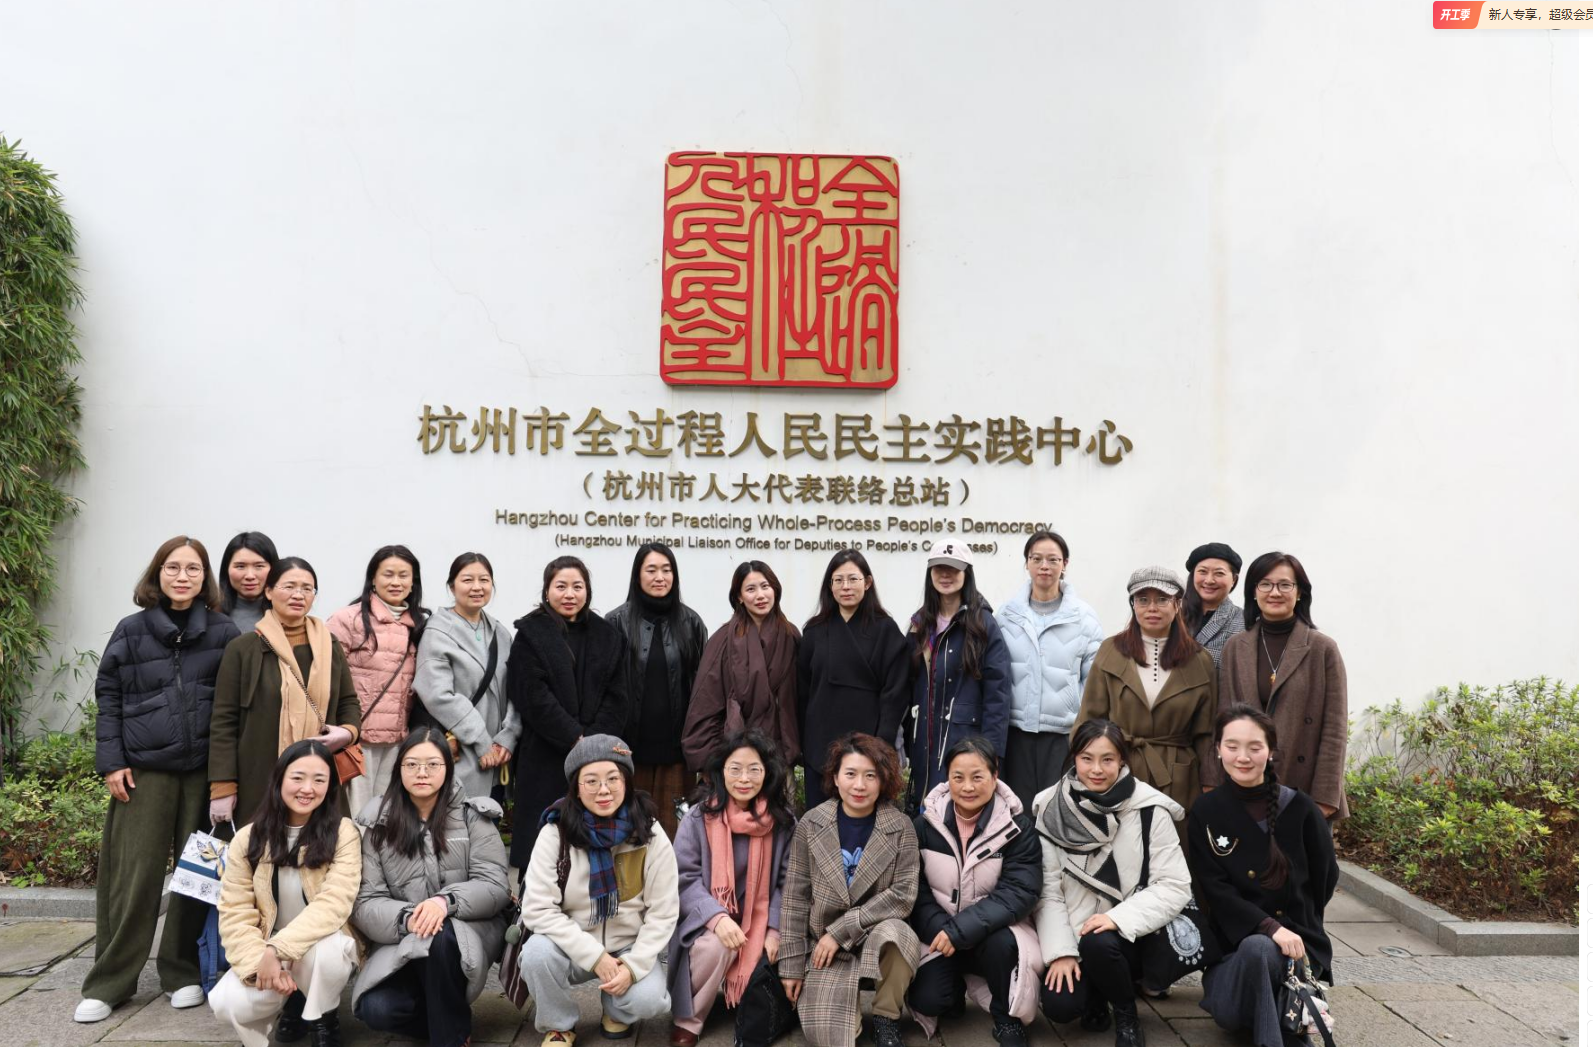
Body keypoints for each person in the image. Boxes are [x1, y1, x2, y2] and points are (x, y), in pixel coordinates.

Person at [75, 537, 242, 1024]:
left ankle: (180, 971)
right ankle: (110, 981)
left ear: (205, 577)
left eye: (193, 568)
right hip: (144, 770)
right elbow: (108, 697)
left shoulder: (224, 631)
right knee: (133, 877)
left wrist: (227, 777)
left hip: (204, 774)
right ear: (158, 573)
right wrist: (112, 761)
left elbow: (233, 706)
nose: (182, 576)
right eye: (173, 567)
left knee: (197, 877)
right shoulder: (131, 630)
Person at [1033, 719, 1192, 1047]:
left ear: (1121, 760)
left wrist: (1117, 918)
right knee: (1060, 1007)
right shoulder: (1051, 807)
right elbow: (1048, 892)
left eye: (1107, 759)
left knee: (1099, 942)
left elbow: (1174, 884)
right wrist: (1061, 952)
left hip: (1132, 936)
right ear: (1074, 758)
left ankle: (1126, 1013)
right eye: (1086, 758)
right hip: (1073, 932)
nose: (1096, 769)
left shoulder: (1149, 809)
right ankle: (1094, 992)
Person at [351, 726, 511, 1047]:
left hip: (465, 930)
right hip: (403, 937)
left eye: (432, 764)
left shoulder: (472, 817)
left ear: (447, 768)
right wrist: (409, 918)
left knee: (441, 936)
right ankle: (448, 1015)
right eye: (412, 764)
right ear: (399, 770)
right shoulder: (380, 826)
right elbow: (366, 901)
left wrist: (443, 903)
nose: (422, 772)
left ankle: (449, 1037)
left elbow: (495, 885)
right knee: (376, 1009)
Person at [1189, 706, 1338, 1047]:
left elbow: (1325, 879)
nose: (1242, 757)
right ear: (1218, 749)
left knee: (1264, 951)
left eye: (1254, 747)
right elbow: (1214, 891)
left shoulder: (1301, 809)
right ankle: (1288, 1030)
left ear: (1270, 751)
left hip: (1297, 949)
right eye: (1232, 746)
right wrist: (1270, 927)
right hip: (1234, 956)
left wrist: (1296, 926)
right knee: (1257, 948)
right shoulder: (1206, 811)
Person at [518, 735, 679, 1047]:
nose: (603, 790)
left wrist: (633, 966)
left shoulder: (649, 831)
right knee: (536, 954)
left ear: (626, 782)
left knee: (649, 1000)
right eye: (591, 781)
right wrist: (594, 956)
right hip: (572, 945)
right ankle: (559, 1025)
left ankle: (616, 1011)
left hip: (627, 946)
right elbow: (537, 909)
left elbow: (663, 911)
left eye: (613, 779)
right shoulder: (556, 832)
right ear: (576, 787)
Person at [209, 740, 363, 1047]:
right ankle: (293, 1000)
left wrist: (277, 950)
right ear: (279, 779)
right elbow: (235, 913)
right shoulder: (248, 838)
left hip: (319, 942)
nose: (307, 788)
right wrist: (258, 962)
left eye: (319, 780)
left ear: (330, 786)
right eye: (298, 777)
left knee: (326, 955)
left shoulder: (343, 832)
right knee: (226, 1002)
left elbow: (334, 904)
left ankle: (323, 1018)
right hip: (267, 946)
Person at [777, 732, 920, 1047]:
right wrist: (791, 967)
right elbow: (795, 899)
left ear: (883, 780)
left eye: (870, 776)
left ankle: (886, 1015)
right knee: (826, 1037)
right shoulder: (812, 824)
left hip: (875, 934)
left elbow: (903, 896)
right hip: (824, 946)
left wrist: (841, 930)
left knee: (899, 935)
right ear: (835, 778)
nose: (859, 785)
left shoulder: (901, 827)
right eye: (851, 774)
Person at [906, 737, 1042, 1047]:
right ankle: (953, 991)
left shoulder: (1017, 828)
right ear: (948, 779)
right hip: (939, 935)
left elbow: (1019, 891)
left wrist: (960, 930)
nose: (967, 787)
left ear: (995, 777)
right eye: (958, 777)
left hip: (992, 934)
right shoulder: (924, 826)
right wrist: (943, 930)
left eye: (977, 777)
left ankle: (1006, 1017)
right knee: (928, 1000)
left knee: (1002, 944)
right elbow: (916, 889)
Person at [209, 558, 363, 824]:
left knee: (319, 845)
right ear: (268, 592)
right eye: (289, 586)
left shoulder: (329, 645)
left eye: (307, 588)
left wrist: (348, 732)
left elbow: (348, 701)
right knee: (258, 846)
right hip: (258, 777)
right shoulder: (243, 649)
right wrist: (222, 786)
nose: (298, 595)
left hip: (318, 775)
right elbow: (224, 721)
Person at [665, 730, 795, 1047]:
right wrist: (717, 918)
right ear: (721, 772)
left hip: (759, 920)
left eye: (754, 769)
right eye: (735, 769)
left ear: (767, 773)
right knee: (716, 946)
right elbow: (683, 877)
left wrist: (774, 929)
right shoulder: (698, 817)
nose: (744, 778)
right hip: (705, 921)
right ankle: (689, 1019)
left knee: (764, 972)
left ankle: (745, 1006)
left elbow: (788, 882)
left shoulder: (783, 822)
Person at [1202, 553, 1349, 822]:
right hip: (1244, 785)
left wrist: (1324, 799)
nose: (1275, 592)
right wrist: (1212, 782)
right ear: (1253, 591)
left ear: (1300, 592)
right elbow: (1222, 717)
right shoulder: (1236, 647)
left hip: (1304, 790)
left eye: (1285, 585)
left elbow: (1334, 729)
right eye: (1265, 584)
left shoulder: (1322, 648)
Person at [506, 556, 629, 870]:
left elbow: (618, 697)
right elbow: (531, 696)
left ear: (588, 590)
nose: (569, 594)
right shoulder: (530, 634)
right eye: (561, 586)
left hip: (596, 759)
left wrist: (592, 744)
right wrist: (574, 737)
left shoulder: (608, 635)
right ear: (547, 591)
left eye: (577, 586)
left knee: (590, 847)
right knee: (542, 851)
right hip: (544, 754)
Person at [1078, 566, 1216, 820]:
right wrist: (1089, 768)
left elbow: (1206, 733)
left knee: (1173, 840)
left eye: (1162, 599)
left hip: (1178, 776)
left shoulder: (1200, 660)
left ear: (1177, 604)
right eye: (1143, 600)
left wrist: (1210, 782)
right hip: (1119, 769)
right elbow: (1089, 719)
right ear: (1133, 605)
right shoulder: (1111, 650)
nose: (1152, 608)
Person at [995, 530, 1103, 811]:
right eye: (1037, 559)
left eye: (1053, 559)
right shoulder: (1006, 615)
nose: (1045, 566)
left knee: (1060, 812)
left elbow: (1094, 682)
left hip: (1063, 736)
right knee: (1018, 812)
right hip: (1016, 734)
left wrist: (1085, 731)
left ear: (1064, 564)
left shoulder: (1084, 617)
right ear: (1027, 563)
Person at [606, 543, 708, 837]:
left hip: (676, 754)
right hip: (627, 751)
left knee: (675, 832)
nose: (660, 577)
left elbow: (703, 688)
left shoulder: (691, 622)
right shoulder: (615, 622)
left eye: (666, 570)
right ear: (637, 575)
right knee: (628, 832)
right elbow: (604, 687)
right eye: (651, 570)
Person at [904, 541, 1012, 810]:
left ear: (967, 573)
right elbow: (908, 687)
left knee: (962, 815)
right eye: (938, 568)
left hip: (967, 746)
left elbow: (998, 695)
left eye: (953, 569)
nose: (945, 575)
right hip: (925, 746)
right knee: (927, 814)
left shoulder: (983, 624)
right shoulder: (919, 624)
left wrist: (991, 753)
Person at [796, 550, 909, 803]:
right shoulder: (814, 631)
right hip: (820, 744)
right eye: (838, 580)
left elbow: (895, 693)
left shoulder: (886, 630)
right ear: (830, 586)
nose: (845, 587)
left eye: (853, 579)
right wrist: (805, 743)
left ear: (867, 583)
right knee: (820, 818)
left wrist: (882, 745)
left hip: (868, 747)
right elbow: (802, 692)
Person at [327, 545, 430, 815]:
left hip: (397, 742)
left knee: (386, 817)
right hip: (356, 741)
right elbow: (326, 677)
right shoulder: (347, 619)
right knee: (356, 816)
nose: (396, 582)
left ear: (413, 582)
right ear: (373, 578)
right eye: (388, 574)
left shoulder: (420, 625)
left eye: (403, 575)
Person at [413, 552, 519, 801]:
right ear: (452, 586)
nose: (477, 587)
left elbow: (517, 688)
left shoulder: (501, 633)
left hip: (498, 758)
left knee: (491, 819)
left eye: (484, 580)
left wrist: (509, 736)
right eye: (467, 580)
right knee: (455, 818)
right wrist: (481, 741)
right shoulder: (438, 631)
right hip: (460, 753)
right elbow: (438, 694)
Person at [681, 561, 802, 777]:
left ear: (775, 590)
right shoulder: (722, 640)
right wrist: (711, 760)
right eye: (751, 589)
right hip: (734, 756)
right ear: (739, 597)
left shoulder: (791, 636)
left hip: (779, 756)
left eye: (765, 586)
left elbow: (799, 699)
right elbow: (706, 701)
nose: (760, 595)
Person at [1181, 542, 1245, 669]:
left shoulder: (1245, 623)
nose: (1209, 580)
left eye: (1219, 573)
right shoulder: (1173, 616)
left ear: (1234, 579)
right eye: (1202, 572)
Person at [218, 532, 279, 635]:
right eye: (240, 566)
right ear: (226, 569)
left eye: (259, 566)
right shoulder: (210, 618)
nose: (250, 576)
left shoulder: (287, 615)